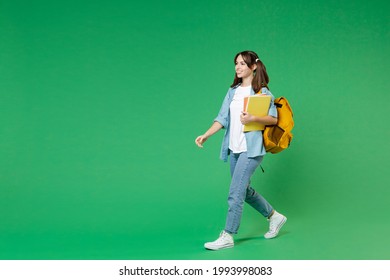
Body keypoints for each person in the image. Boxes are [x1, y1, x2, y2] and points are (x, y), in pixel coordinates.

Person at [195, 50, 287, 250]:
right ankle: (275, 216)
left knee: (235, 193)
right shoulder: (232, 92)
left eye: (242, 64)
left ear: (253, 66)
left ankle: (228, 235)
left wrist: (253, 118)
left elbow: (273, 119)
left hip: (251, 150)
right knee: (243, 191)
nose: (238, 67)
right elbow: (222, 118)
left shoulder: (262, 93)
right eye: (236, 63)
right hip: (234, 149)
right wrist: (206, 135)